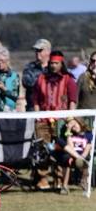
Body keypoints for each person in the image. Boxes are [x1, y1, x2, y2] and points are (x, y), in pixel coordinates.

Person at [33, 51, 78, 190]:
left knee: (60, 149)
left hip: (61, 121)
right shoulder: (41, 79)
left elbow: (72, 100)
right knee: (42, 149)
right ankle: (43, 178)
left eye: (56, 63)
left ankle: (59, 179)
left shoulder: (68, 79)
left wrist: (70, 118)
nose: (53, 66)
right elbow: (36, 100)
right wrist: (37, 116)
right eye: (51, 63)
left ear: (61, 64)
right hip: (43, 120)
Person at [54, 118, 92, 195]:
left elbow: (87, 149)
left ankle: (83, 181)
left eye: (74, 125)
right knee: (66, 157)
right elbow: (70, 147)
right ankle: (64, 187)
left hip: (83, 157)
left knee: (84, 160)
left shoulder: (88, 134)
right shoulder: (70, 134)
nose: (74, 128)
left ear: (80, 122)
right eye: (72, 127)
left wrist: (82, 157)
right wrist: (68, 130)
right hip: (71, 155)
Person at [22, 38, 51, 111]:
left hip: (50, 110)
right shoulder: (29, 67)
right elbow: (27, 82)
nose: (37, 53)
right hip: (32, 108)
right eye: (36, 50)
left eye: (40, 50)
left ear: (48, 51)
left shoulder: (54, 68)